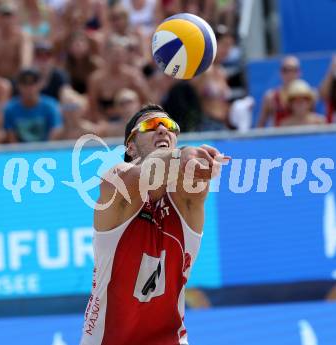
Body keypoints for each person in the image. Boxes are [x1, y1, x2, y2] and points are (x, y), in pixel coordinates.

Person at [80, 104, 228, 345]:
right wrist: (185, 154)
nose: (162, 129)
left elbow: (185, 173)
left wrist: (195, 159)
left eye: (169, 126)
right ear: (130, 145)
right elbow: (147, 172)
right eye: (150, 125)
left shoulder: (186, 193)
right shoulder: (117, 180)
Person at [4, 68, 62, 142]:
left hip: (46, 151)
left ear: (40, 84)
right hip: (20, 152)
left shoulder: (50, 106)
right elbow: (12, 139)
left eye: (32, 83)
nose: (29, 88)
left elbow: (55, 131)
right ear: (18, 86)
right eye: (24, 83)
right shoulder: (10, 109)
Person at [0, 1, 33, 80]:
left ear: (15, 17)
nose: (6, 20)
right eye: (3, 16)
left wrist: (23, 73)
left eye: (9, 16)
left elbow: (26, 60)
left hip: (16, 79)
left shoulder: (22, 37)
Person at [257, 55, 301, 127]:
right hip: (280, 137)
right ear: (280, 72)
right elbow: (261, 125)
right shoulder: (270, 97)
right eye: (285, 70)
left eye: (293, 70)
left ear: (299, 72)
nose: (289, 74)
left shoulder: (308, 96)